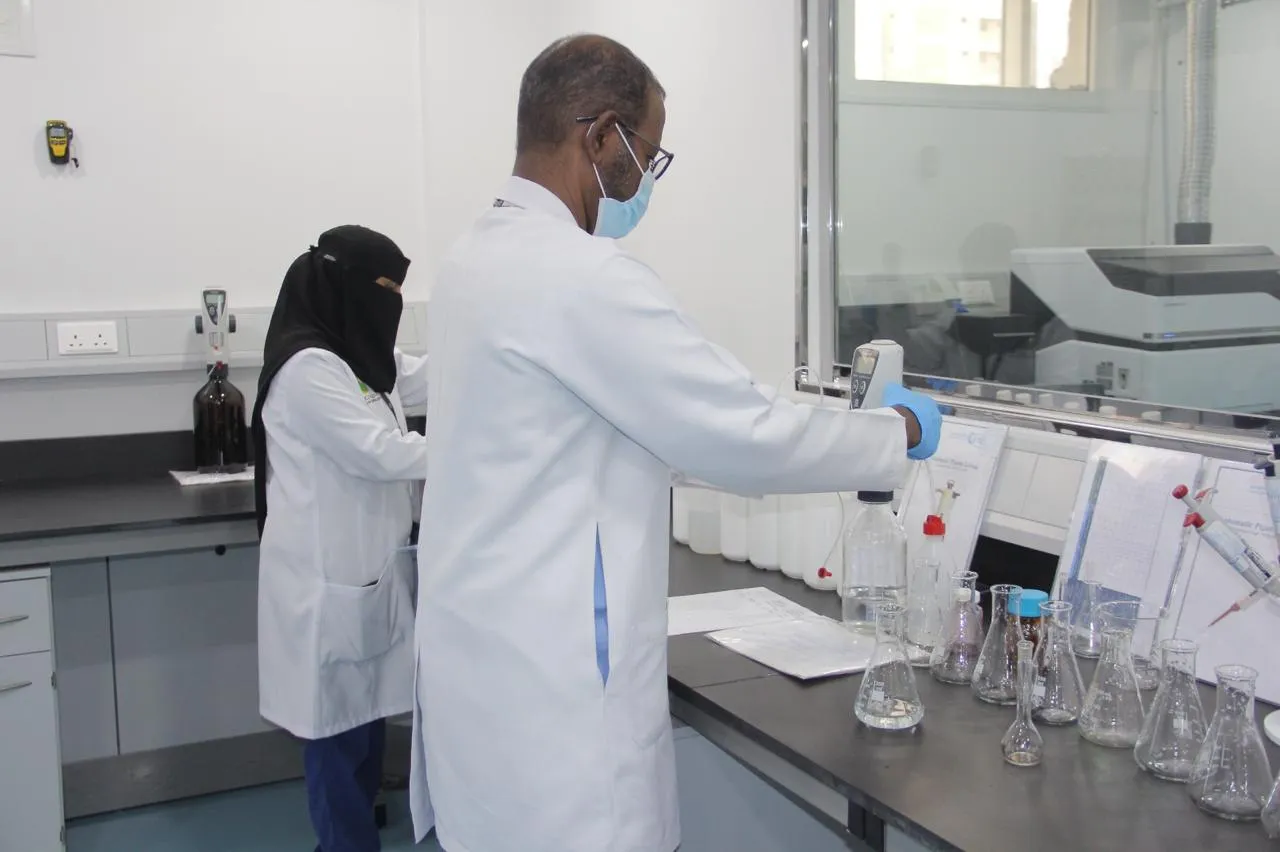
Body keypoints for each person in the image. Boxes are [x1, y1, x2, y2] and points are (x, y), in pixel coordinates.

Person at [408, 35, 941, 852]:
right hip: (559, 715)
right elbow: (744, 434)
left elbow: (623, 434)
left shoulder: (473, 260)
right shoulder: (581, 278)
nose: (644, 182)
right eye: (646, 157)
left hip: (483, 676)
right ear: (600, 136)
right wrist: (893, 434)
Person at [253, 225, 431, 852]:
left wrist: (499, 347)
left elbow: (427, 378)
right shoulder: (308, 368)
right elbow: (379, 452)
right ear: (343, 286)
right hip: (323, 590)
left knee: (362, 735)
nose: (392, 301)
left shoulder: (356, 355)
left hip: (363, 582)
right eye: (385, 287)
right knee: (335, 745)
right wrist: (476, 450)